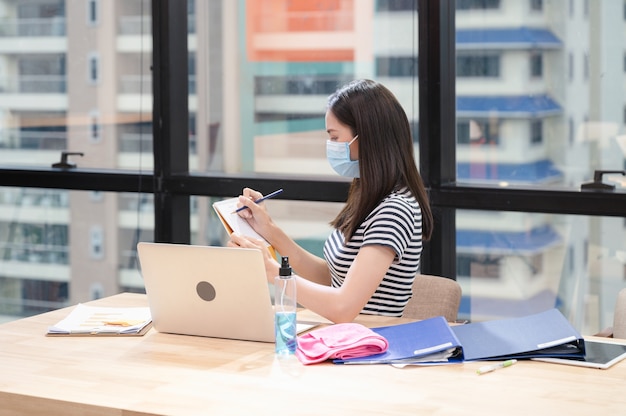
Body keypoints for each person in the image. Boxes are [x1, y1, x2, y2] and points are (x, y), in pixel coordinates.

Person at [228, 79, 433, 323]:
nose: (331, 147)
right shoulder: (370, 197)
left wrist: (273, 272)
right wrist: (269, 231)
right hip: (344, 339)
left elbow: (343, 307)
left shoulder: (394, 209)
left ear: (366, 137)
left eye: (335, 137)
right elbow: (331, 277)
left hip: (370, 346)